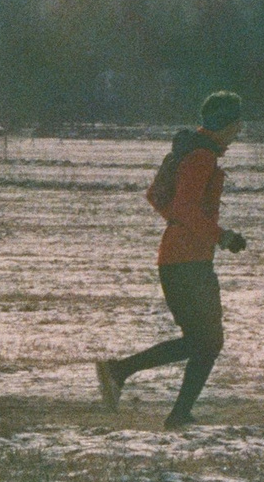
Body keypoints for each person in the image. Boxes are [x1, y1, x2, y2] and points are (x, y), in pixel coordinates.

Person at [97, 90, 247, 430]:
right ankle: (125, 375)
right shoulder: (201, 158)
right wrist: (220, 235)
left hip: (180, 259)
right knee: (206, 342)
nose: (240, 130)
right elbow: (184, 207)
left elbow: (158, 198)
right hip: (187, 263)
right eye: (238, 123)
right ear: (230, 124)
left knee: (205, 342)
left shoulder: (191, 152)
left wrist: (184, 226)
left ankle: (159, 399)